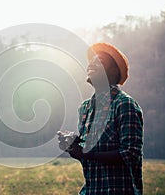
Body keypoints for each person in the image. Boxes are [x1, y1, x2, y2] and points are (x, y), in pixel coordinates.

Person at [59, 43, 143, 195]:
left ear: (113, 71)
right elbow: (91, 159)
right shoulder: (85, 108)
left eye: (100, 61)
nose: (91, 64)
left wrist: (87, 153)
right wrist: (74, 147)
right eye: (91, 60)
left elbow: (130, 154)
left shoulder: (125, 105)